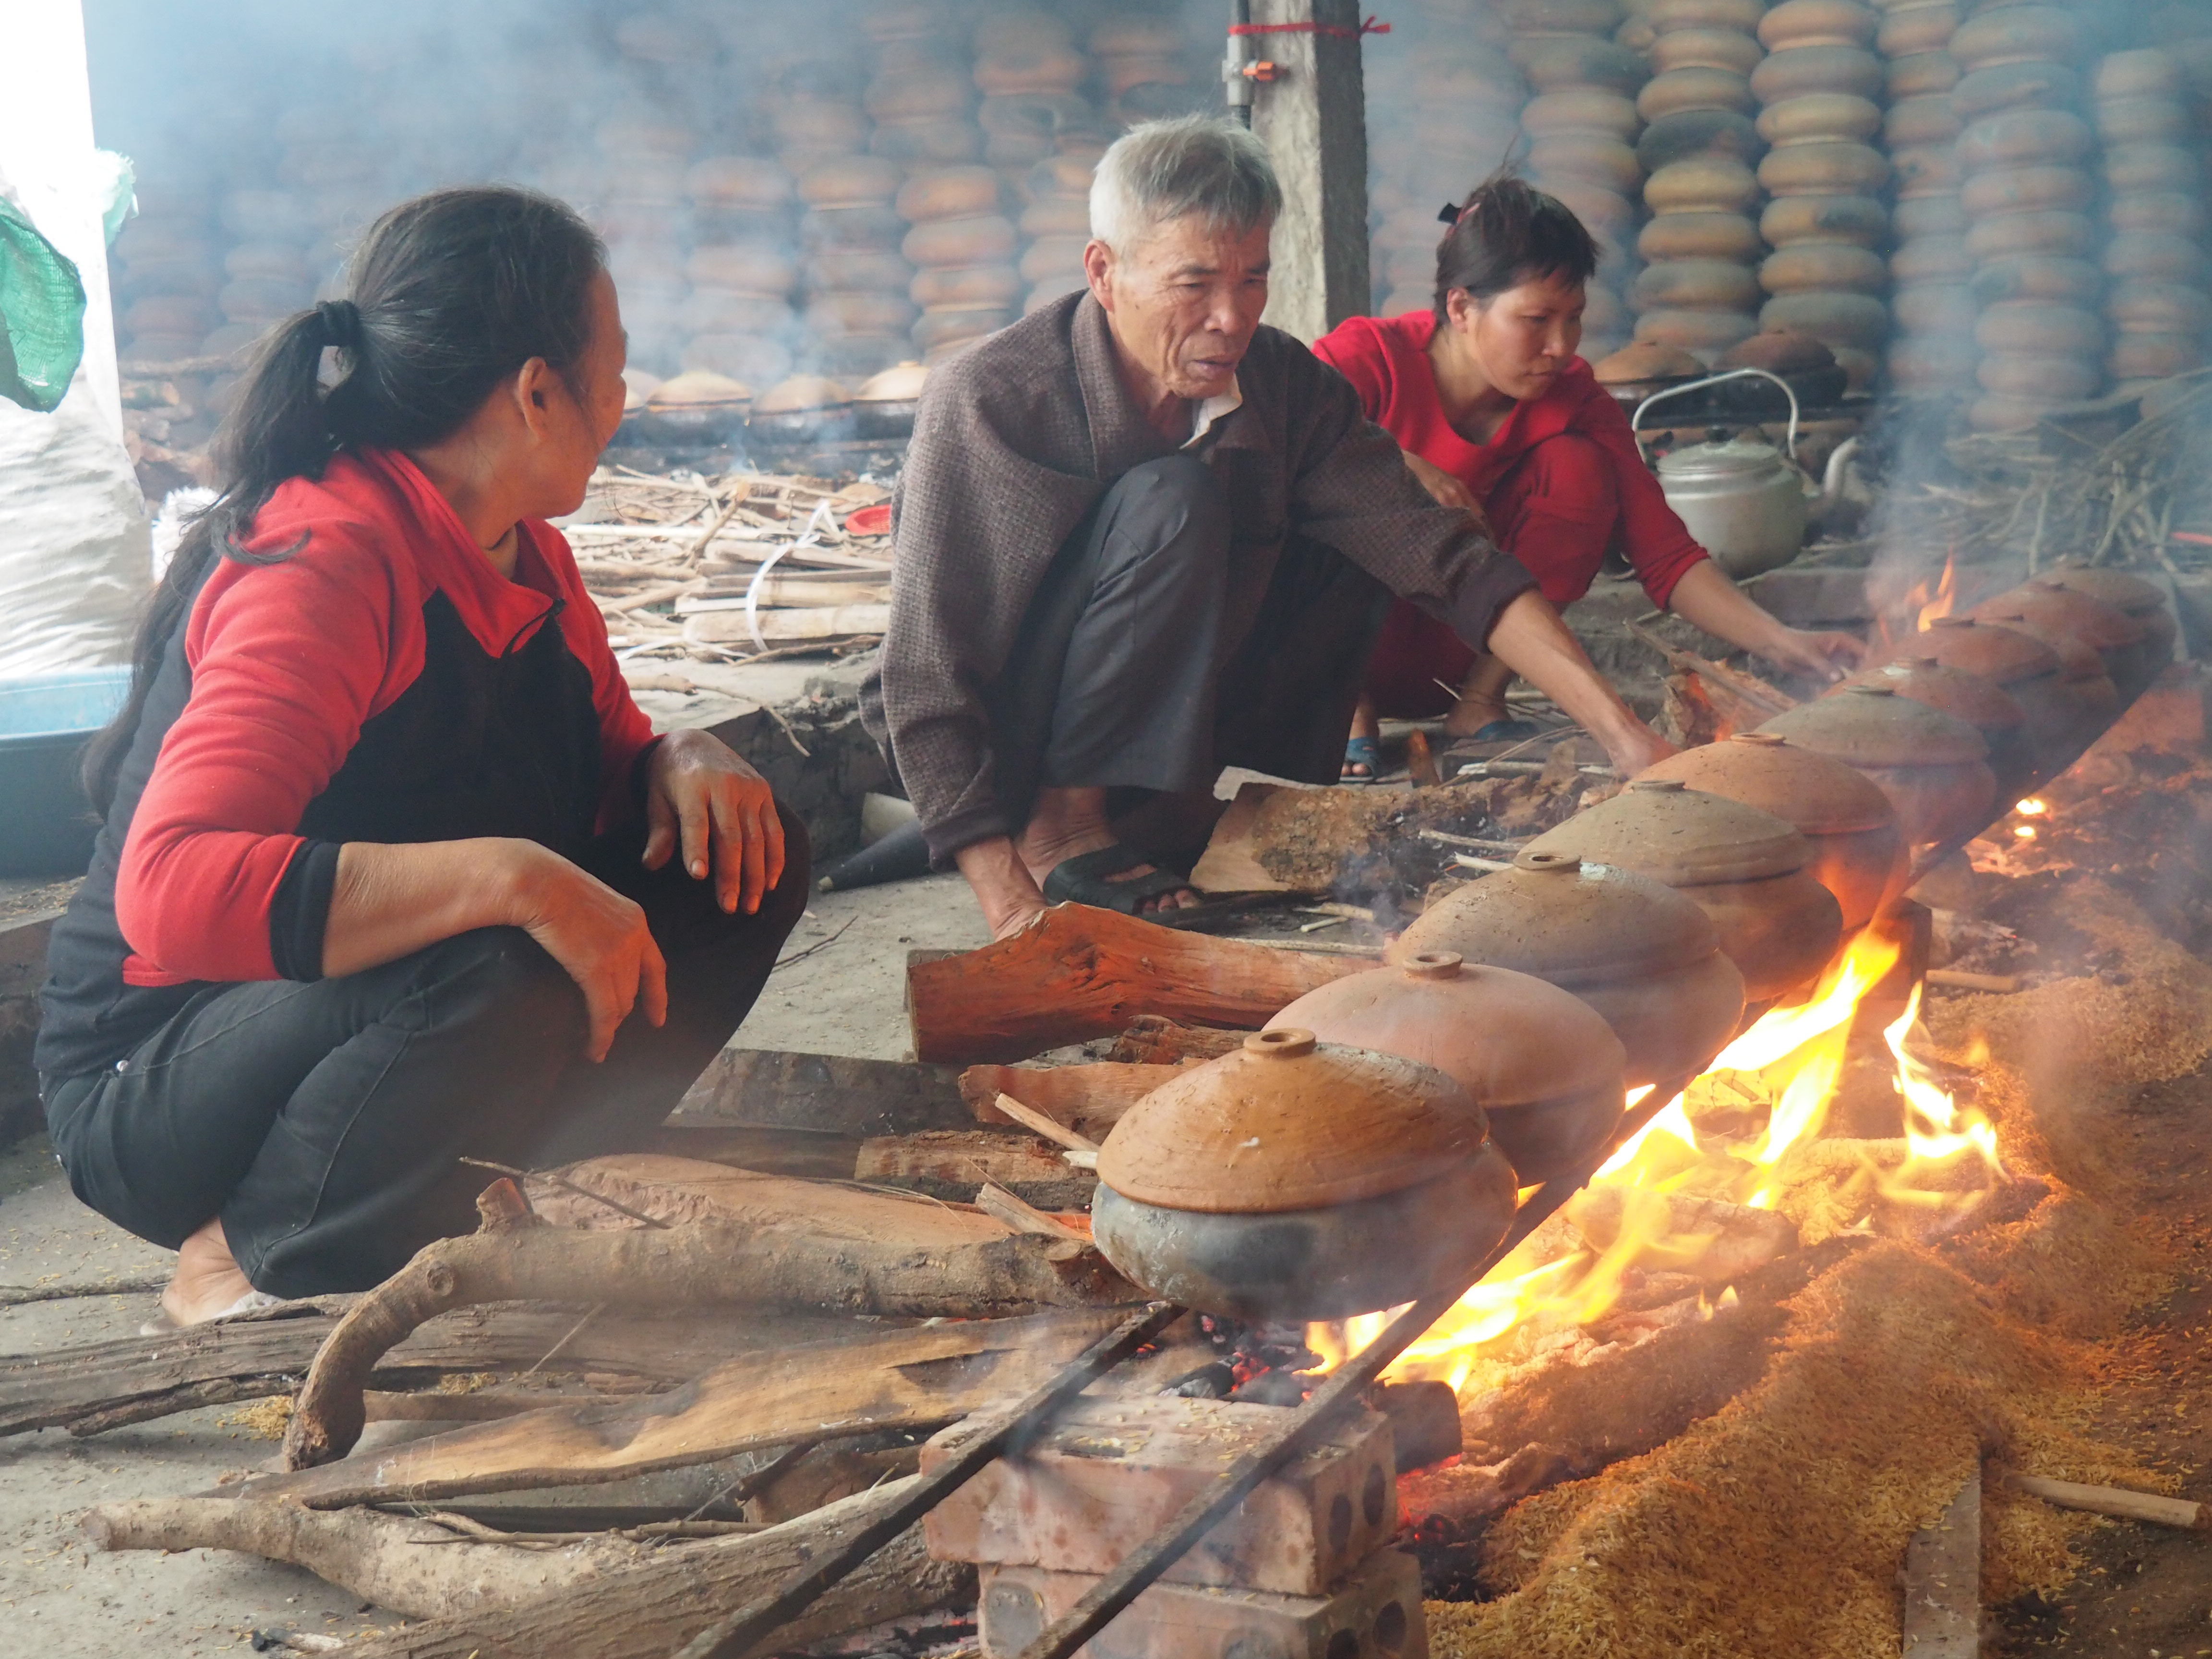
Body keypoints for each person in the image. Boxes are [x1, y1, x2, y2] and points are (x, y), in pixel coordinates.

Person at [36, 188, 807, 1327]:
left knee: (742, 852)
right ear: (536, 392)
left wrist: (679, 755)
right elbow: (173, 893)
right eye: (614, 372)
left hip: (370, 1016)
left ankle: (506, 1176)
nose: (623, 402)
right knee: (493, 948)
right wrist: (515, 877)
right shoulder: (327, 560)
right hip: (155, 1075)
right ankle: (253, 1246)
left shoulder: (526, 557)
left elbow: (601, 785)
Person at [864, 117, 1674, 938]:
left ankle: (1160, 815)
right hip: (1009, 737)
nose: (1231, 316)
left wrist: (1624, 735)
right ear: (1104, 273)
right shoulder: (992, 399)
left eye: (1253, 279)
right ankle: (1062, 829)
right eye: (1194, 283)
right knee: (1174, 498)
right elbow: (925, 671)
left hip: (1141, 734)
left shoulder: (1282, 385)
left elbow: (1444, 558)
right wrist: (1008, 904)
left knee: (1363, 534)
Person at [1316, 175, 1864, 779]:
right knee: (1322, 466)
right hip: (1345, 652)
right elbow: (1272, 448)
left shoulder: (1574, 397)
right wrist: (1395, 467)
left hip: (1474, 647)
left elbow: (1666, 555)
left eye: (1574, 318)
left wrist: (1787, 643)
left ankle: (1479, 705)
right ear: (1461, 307)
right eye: (1536, 318)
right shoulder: (1363, 361)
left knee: (1578, 468)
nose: (1560, 345)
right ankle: (1344, 707)